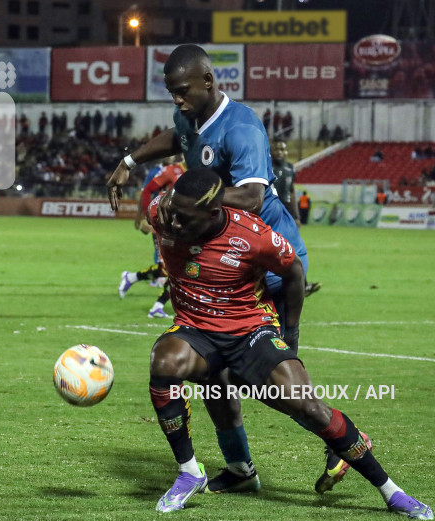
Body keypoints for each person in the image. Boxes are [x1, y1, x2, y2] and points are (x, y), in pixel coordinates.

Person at [145, 168, 433, 520]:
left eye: (184, 217)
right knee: (164, 361)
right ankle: (190, 472)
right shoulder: (163, 214)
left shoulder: (253, 236)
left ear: (213, 210)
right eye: (173, 211)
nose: (174, 223)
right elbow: (153, 205)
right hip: (196, 330)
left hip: (250, 330)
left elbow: (294, 272)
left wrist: (291, 333)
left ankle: (391, 491)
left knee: (306, 406)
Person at [106, 44, 320, 496]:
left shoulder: (242, 129)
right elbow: (177, 137)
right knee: (215, 379)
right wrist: (129, 161)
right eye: (171, 92)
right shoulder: (190, 116)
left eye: (183, 91)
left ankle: (342, 442)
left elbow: (252, 199)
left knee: (267, 382)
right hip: (229, 264)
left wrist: (185, 199)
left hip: (268, 262)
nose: (177, 99)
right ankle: (241, 469)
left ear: (208, 81)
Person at [119, 157, 185, 318]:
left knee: (177, 269)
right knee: (169, 269)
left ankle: (134, 280)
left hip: (183, 227)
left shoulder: (200, 171)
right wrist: (146, 217)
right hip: (165, 227)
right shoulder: (171, 171)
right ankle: (154, 301)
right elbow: (147, 190)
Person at [271, 141, 320, 298]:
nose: (280, 152)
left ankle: (301, 284)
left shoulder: (290, 168)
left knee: (294, 250)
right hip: (270, 214)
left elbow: (291, 192)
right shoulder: (265, 166)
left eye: (283, 149)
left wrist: (296, 216)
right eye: (277, 148)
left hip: (286, 216)